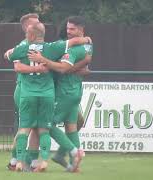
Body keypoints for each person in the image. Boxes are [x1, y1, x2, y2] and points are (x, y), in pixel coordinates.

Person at [7, 22, 91, 172]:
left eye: (27, 33)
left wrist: (12, 54)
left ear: (31, 35)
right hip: (51, 93)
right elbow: (79, 53)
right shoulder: (53, 47)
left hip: (30, 93)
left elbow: (12, 59)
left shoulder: (24, 48)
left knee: (26, 128)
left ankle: (19, 161)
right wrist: (86, 40)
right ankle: (45, 161)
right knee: (47, 128)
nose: (26, 35)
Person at [4, 13, 42, 171]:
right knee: (25, 126)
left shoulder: (39, 44)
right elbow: (17, 66)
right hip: (24, 89)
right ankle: (15, 161)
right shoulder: (23, 46)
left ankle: (31, 162)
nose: (40, 25)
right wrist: (38, 68)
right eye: (36, 23)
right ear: (28, 27)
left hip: (37, 90)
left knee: (37, 127)